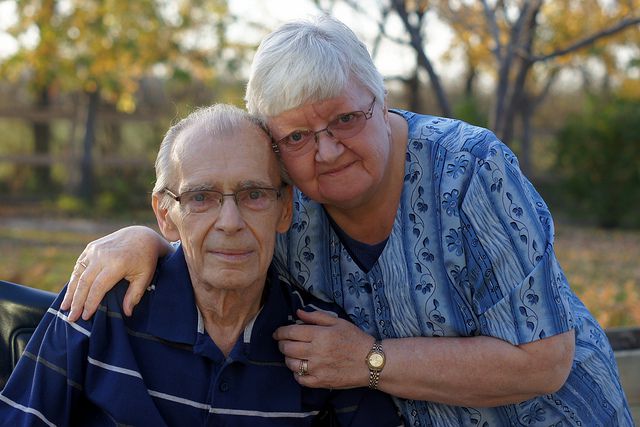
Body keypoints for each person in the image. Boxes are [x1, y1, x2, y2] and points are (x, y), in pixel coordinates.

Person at [61, 15, 633, 426]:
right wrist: (145, 240)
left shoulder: (471, 173)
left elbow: (545, 362)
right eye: (298, 136)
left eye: (346, 119)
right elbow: (222, 229)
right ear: (277, 148)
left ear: (381, 103)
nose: (328, 150)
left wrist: (369, 362)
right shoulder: (287, 204)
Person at [0, 104, 403, 426]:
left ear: (285, 210)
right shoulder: (98, 302)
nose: (230, 223)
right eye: (201, 198)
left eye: (254, 195)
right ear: (165, 214)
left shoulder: (325, 343)